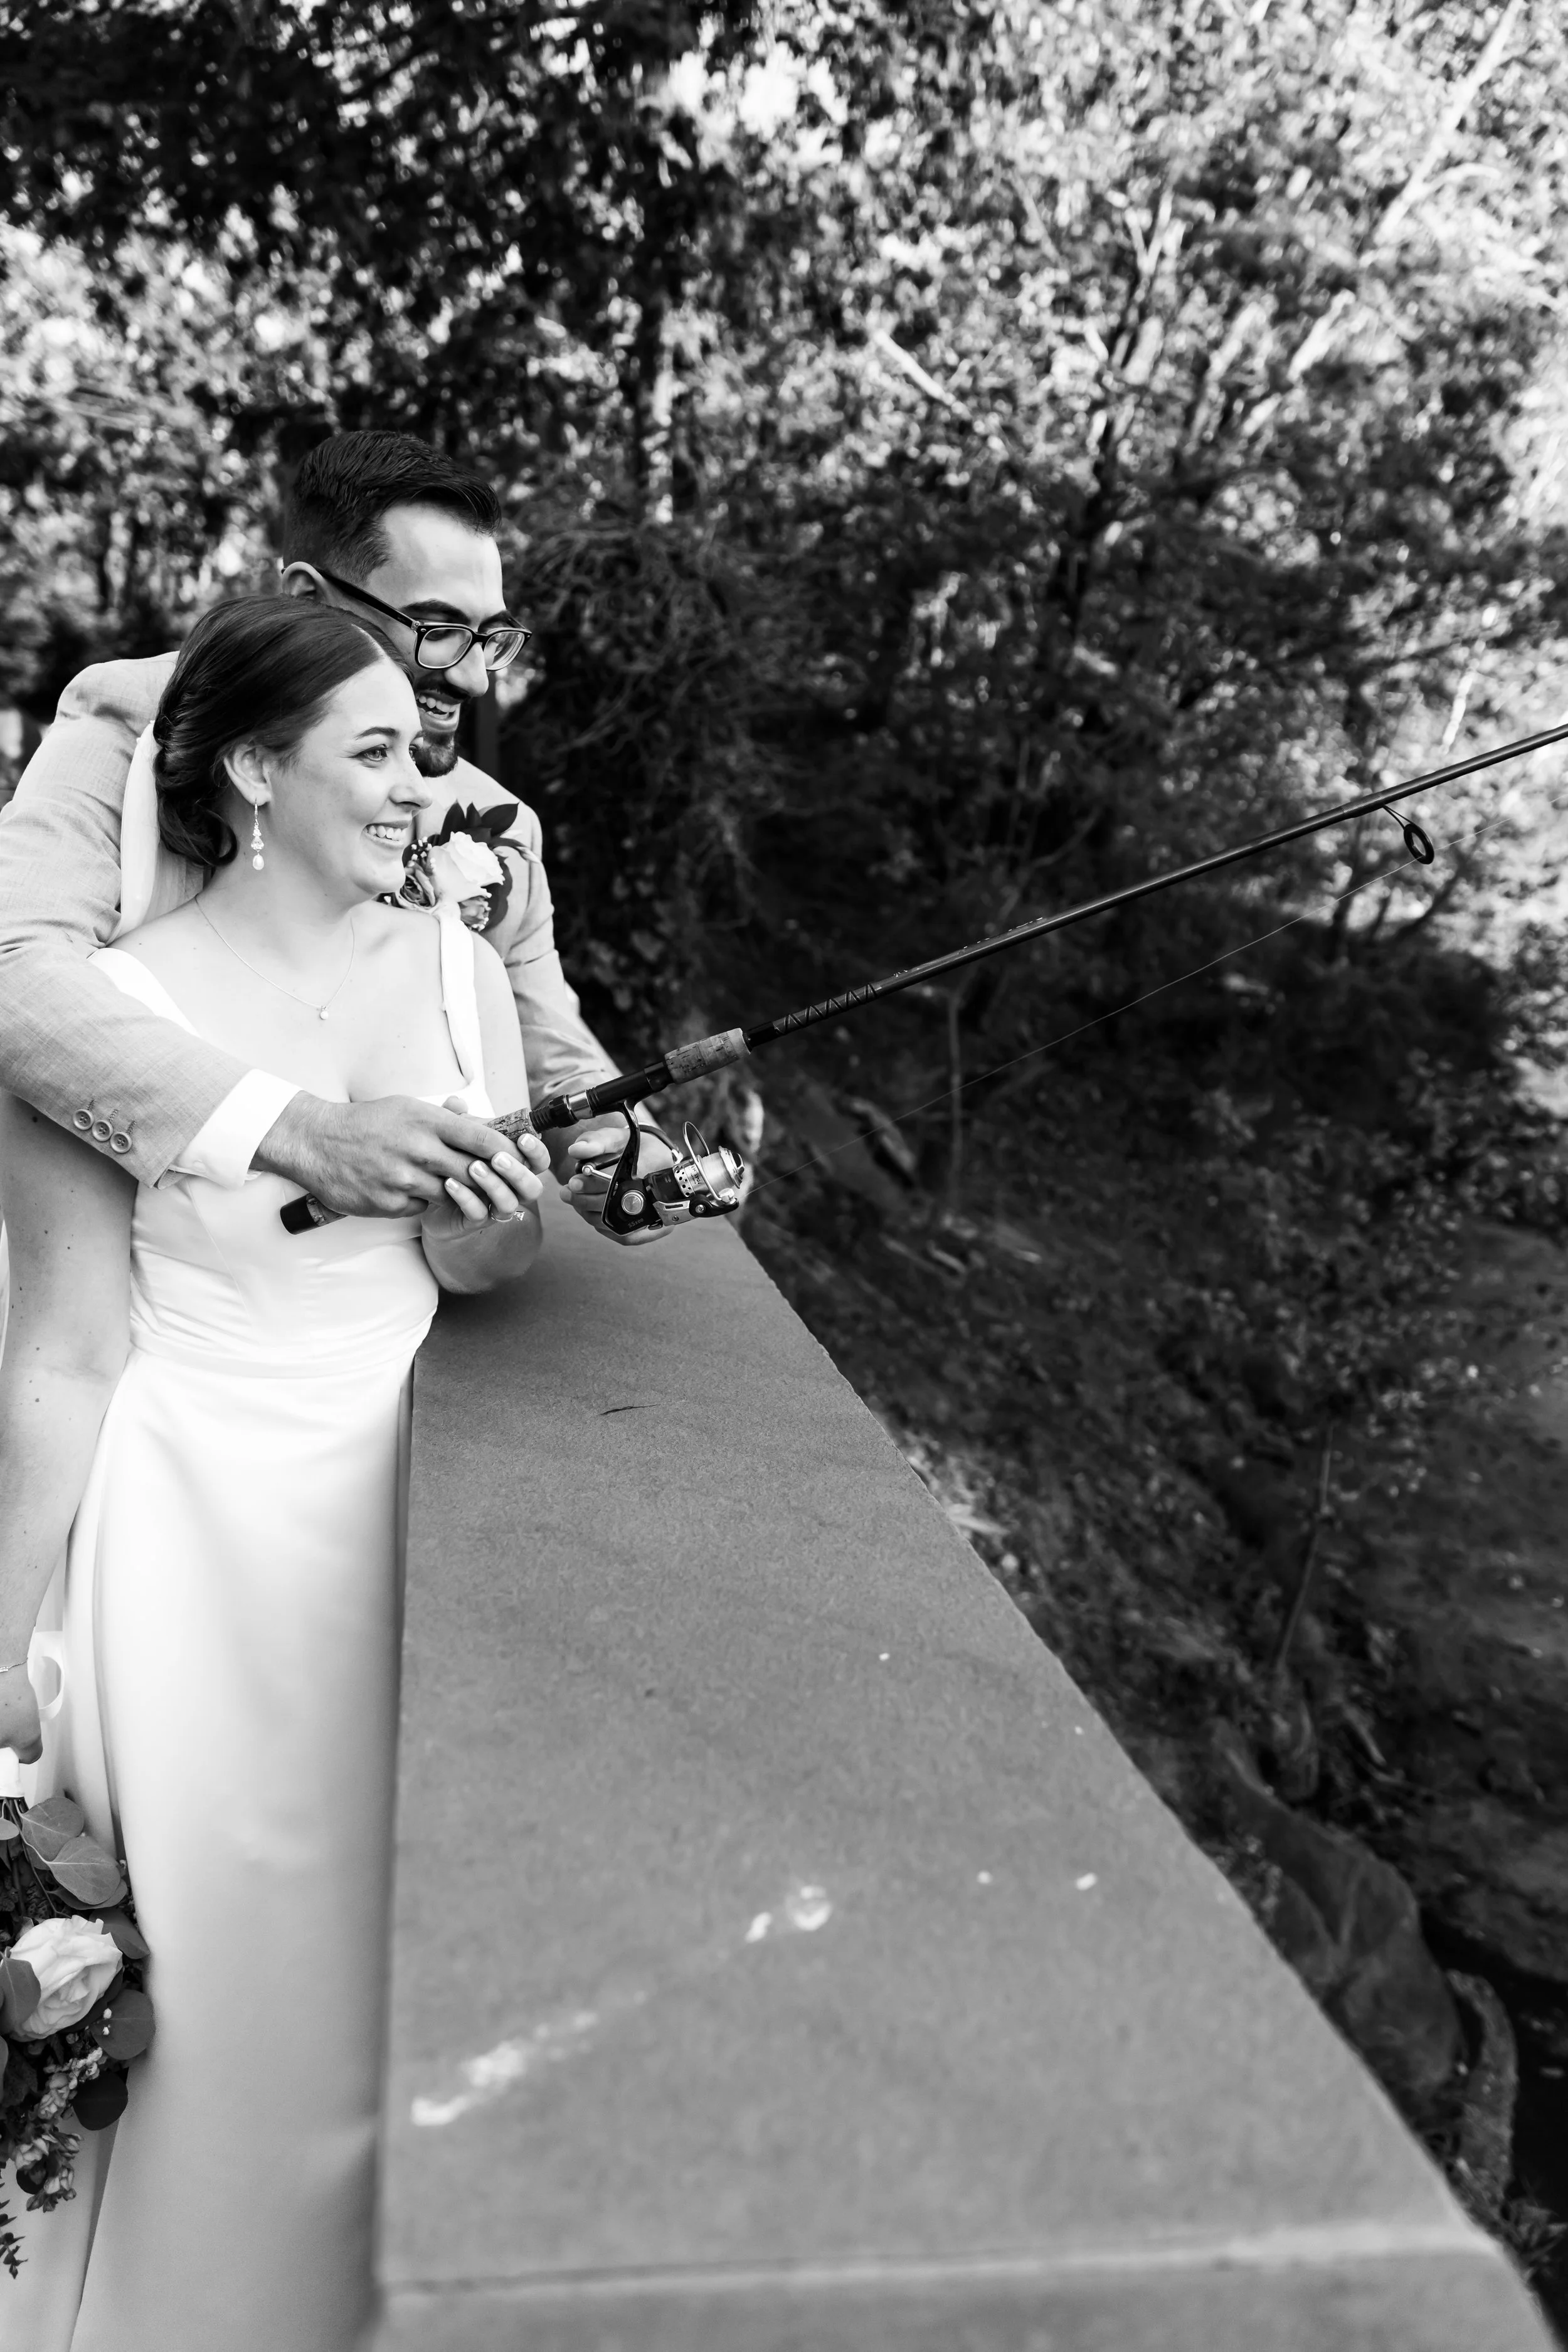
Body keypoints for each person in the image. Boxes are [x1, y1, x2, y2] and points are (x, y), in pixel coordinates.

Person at [0, 596, 548, 2350]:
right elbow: (69, 1347)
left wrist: (490, 1231)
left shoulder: (461, 970)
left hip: (397, 1525)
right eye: (374, 752)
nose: (417, 789)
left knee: (373, 1994)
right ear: (253, 767)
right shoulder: (106, 1009)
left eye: (422, 750)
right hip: (187, 1553)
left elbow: (475, 1278)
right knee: (225, 2006)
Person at [0, 429, 665, 1766]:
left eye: (489, 637)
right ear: (307, 599)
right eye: (433, 628)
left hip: (353, 1388)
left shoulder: (481, 822)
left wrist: (612, 1143)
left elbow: (548, 1045)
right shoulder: (115, 741)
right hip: (98, 1275)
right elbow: (17, 981)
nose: (463, 682)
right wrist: (302, 1132)